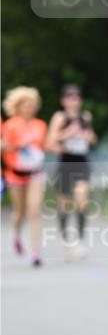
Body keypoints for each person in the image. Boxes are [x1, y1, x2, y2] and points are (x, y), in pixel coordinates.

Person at [46, 84, 97, 258]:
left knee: (82, 199)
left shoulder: (86, 116)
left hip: (82, 161)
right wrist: (68, 132)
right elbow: (50, 141)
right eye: (69, 96)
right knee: (64, 203)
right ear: (63, 100)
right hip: (66, 161)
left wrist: (89, 136)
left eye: (76, 96)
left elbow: (93, 139)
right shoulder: (60, 117)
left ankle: (81, 241)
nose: (73, 99)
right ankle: (65, 240)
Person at [1, 87, 48, 267]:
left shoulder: (40, 125)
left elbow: (43, 146)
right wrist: (16, 145)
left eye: (32, 105)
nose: (29, 108)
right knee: (20, 212)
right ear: (17, 106)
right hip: (15, 174)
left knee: (34, 211)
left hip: (35, 173)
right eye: (25, 105)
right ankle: (16, 234)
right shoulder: (10, 125)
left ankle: (35, 252)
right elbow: (2, 145)